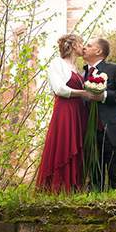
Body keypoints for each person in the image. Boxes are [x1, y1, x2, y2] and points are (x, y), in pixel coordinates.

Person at [36, 33, 91, 193]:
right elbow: (59, 89)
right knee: (64, 146)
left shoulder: (77, 69)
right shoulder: (57, 63)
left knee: (77, 148)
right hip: (65, 111)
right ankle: (59, 189)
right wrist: (83, 94)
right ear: (74, 46)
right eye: (82, 44)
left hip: (78, 112)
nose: (84, 47)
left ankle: (74, 189)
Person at [83, 37, 116, 190]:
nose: (84, 48)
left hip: (114, 130)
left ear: (99, 51)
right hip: (92, 132)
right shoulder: (83, 74)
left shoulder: (115, 69)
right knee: (94, 178)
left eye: (89, 45)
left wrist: (104, 96)